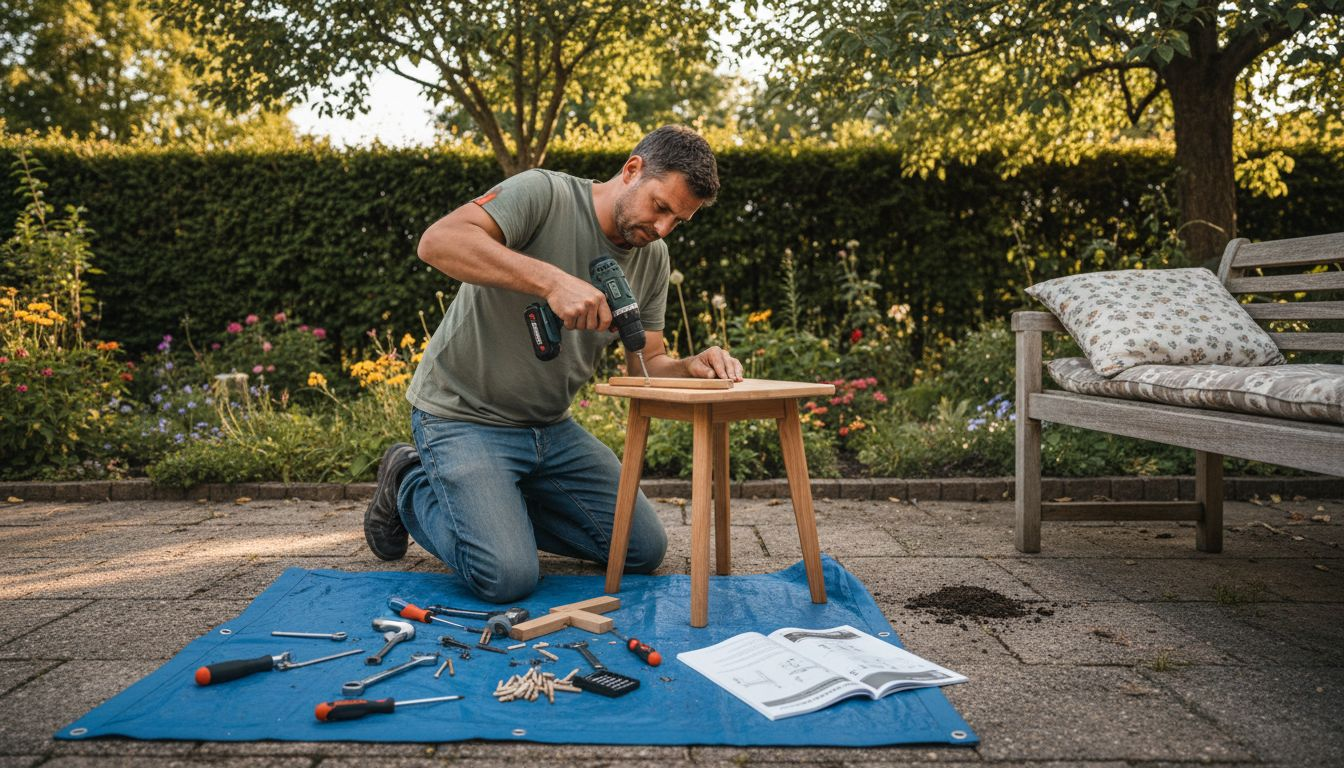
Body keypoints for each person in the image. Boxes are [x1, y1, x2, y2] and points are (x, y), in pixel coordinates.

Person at [363, 125, 744, 603]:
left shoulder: (653, 258)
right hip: (462, 417)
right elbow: (437, 243)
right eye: (661, 207)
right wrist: (550, 282)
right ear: (632, 170)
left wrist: (691, 366)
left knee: (642, 549)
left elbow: (646, 363)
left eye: (677, 221)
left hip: (550, 430)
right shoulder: (543, 193)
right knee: (506, 578)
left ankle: (498, 507)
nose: (663, 228)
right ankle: (408, 480)